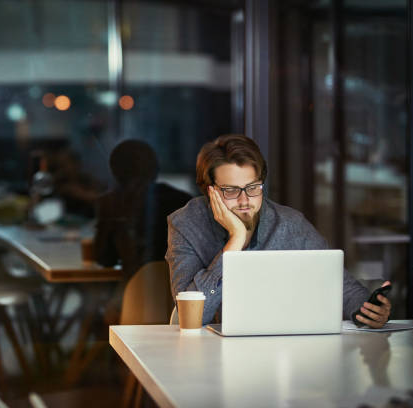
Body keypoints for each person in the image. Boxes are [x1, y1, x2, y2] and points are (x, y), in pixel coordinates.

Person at [166, 134, 391, 328]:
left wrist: (369, 310)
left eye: (253, 188)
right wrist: (235, 242)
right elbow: (189, 318)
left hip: (284, 354)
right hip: (208, 357)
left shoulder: (289, 224)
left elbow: (342, 287)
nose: (245, 201)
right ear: (210, 191)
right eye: (231, 191)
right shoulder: (185, 225)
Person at [95, 139, 191, 282]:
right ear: (156, 169)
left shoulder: (111, 202)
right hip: (179, 289)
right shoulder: (182, 201)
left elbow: (104, 258)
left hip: (132, 291)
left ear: (114, 172)